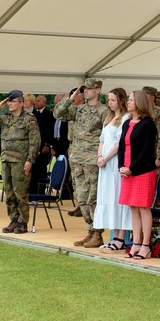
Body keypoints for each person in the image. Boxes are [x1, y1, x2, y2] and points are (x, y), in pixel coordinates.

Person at [54, 78, 108, 247]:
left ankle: (98, 233)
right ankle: (90, 231)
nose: (86, 92)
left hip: (92, 159)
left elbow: (108, 137)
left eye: (90, 89)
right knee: (81, 197)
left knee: (93, 198)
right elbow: (58, 113)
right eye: (85, 90)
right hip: (77, 159)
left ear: (98, 90)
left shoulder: (104, 111)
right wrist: (70, 99)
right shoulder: (79, 110)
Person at [0, 90, 40, 234]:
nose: (9, 104)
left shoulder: (29, 119)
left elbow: (35, 142)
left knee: (20, 193)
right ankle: (13, 220)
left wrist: (30, 160)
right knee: (9, 193)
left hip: (20, 161)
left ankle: (23, 222)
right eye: (8, 101)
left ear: (21, 103)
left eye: (13, 101)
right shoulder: (5, 118)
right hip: (6, 160)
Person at [118, 90, 158, 260]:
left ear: (140, 103)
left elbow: (147, 151)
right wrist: (121, 166)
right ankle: (136, 242)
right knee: (133, 207)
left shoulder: (148, 124)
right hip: (128, 172)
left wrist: (132, 168)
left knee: (143, 207)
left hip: (142, 171)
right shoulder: (127, 123)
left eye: (131, 100)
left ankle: (146, 245)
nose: (128, 102)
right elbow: (122, 146)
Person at [93, 88, 131, 251]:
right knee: (107, 196)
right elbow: (102, 140)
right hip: (105, 164)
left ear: (121, 101)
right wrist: (99, 157)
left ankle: (120, 237)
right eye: (108, 100)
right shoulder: (109, 118)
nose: (110, 103)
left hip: (115, 161)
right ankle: (113, 235)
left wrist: (107, 157)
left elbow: (119, 142)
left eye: (113, 100)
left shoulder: (125, 118)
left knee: (117, 196)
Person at [31, 94, 55, 194]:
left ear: (44, 103)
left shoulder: (48, 114)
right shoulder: (33, 114)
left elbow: (50, 131)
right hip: (34, 146)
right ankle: (32, 190)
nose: (36, 102)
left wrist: (47, 144)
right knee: (33, 169)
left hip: (43, 146)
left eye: (39, 101)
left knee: (41, 168)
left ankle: (41, 191)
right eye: (36, 101)